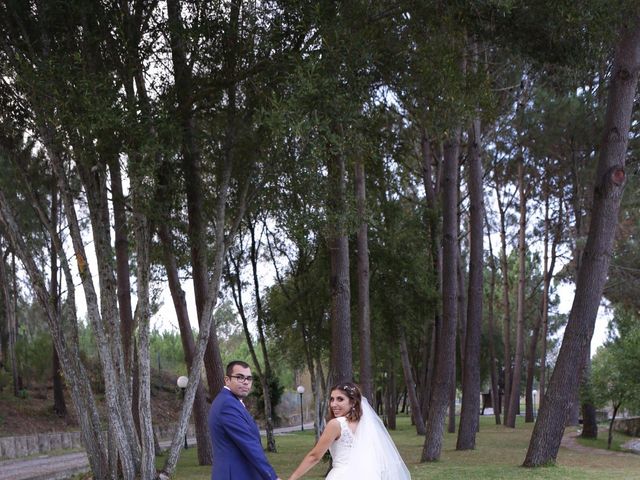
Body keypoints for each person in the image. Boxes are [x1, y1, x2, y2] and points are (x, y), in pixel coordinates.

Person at [288, 382, 411, 479]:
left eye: (340, 399)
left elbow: (314, 456)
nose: (333, 404)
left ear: (352, 402)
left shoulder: (336, 424)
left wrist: (292, 478)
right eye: (332, 399)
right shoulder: (367, 424)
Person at [208, 360, 281, 480]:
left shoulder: (230, 401)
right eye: (240, 377)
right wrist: (272, 477)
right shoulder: (228, 404)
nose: (246, 382)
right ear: (227, 380)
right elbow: (249, 445)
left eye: (249, 378)